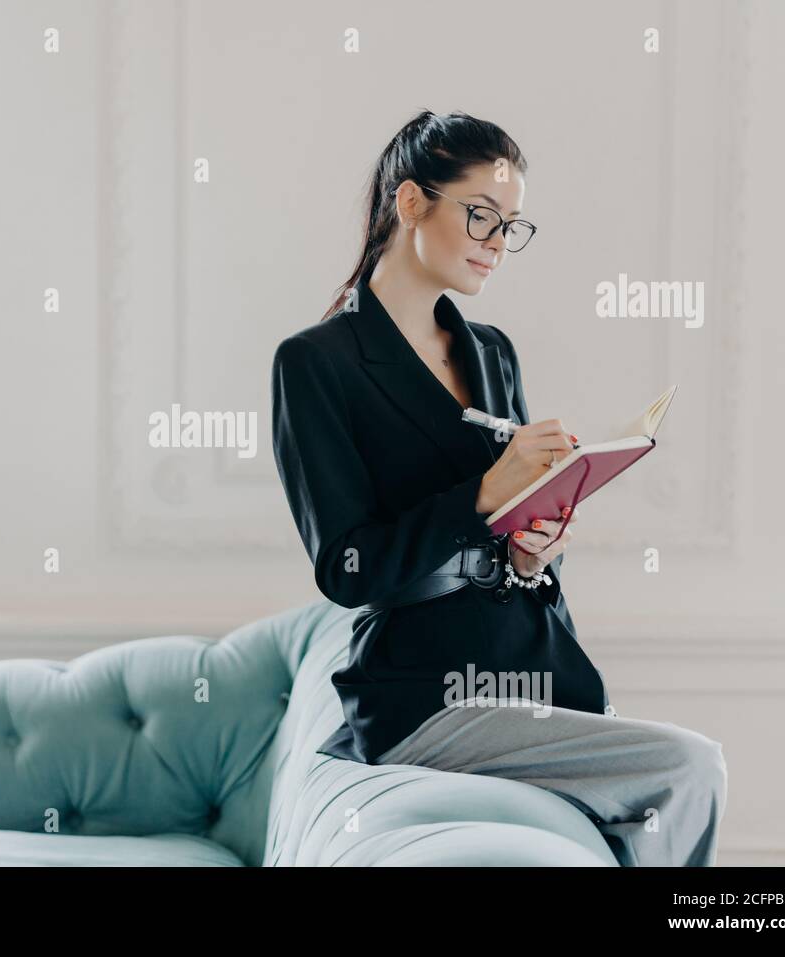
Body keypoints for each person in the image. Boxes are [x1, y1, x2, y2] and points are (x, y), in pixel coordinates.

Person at [269, 109, 727, 866]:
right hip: (424, 689)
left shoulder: (491, 352)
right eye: (482, 216)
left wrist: (531, 546)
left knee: (674, 779)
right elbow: (348, 569)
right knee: (691, 766)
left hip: (537, 660)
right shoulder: (316, 363)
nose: (496, 244)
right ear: (411, 202)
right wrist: (482, 497)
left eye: (511, 226)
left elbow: (502, 529)